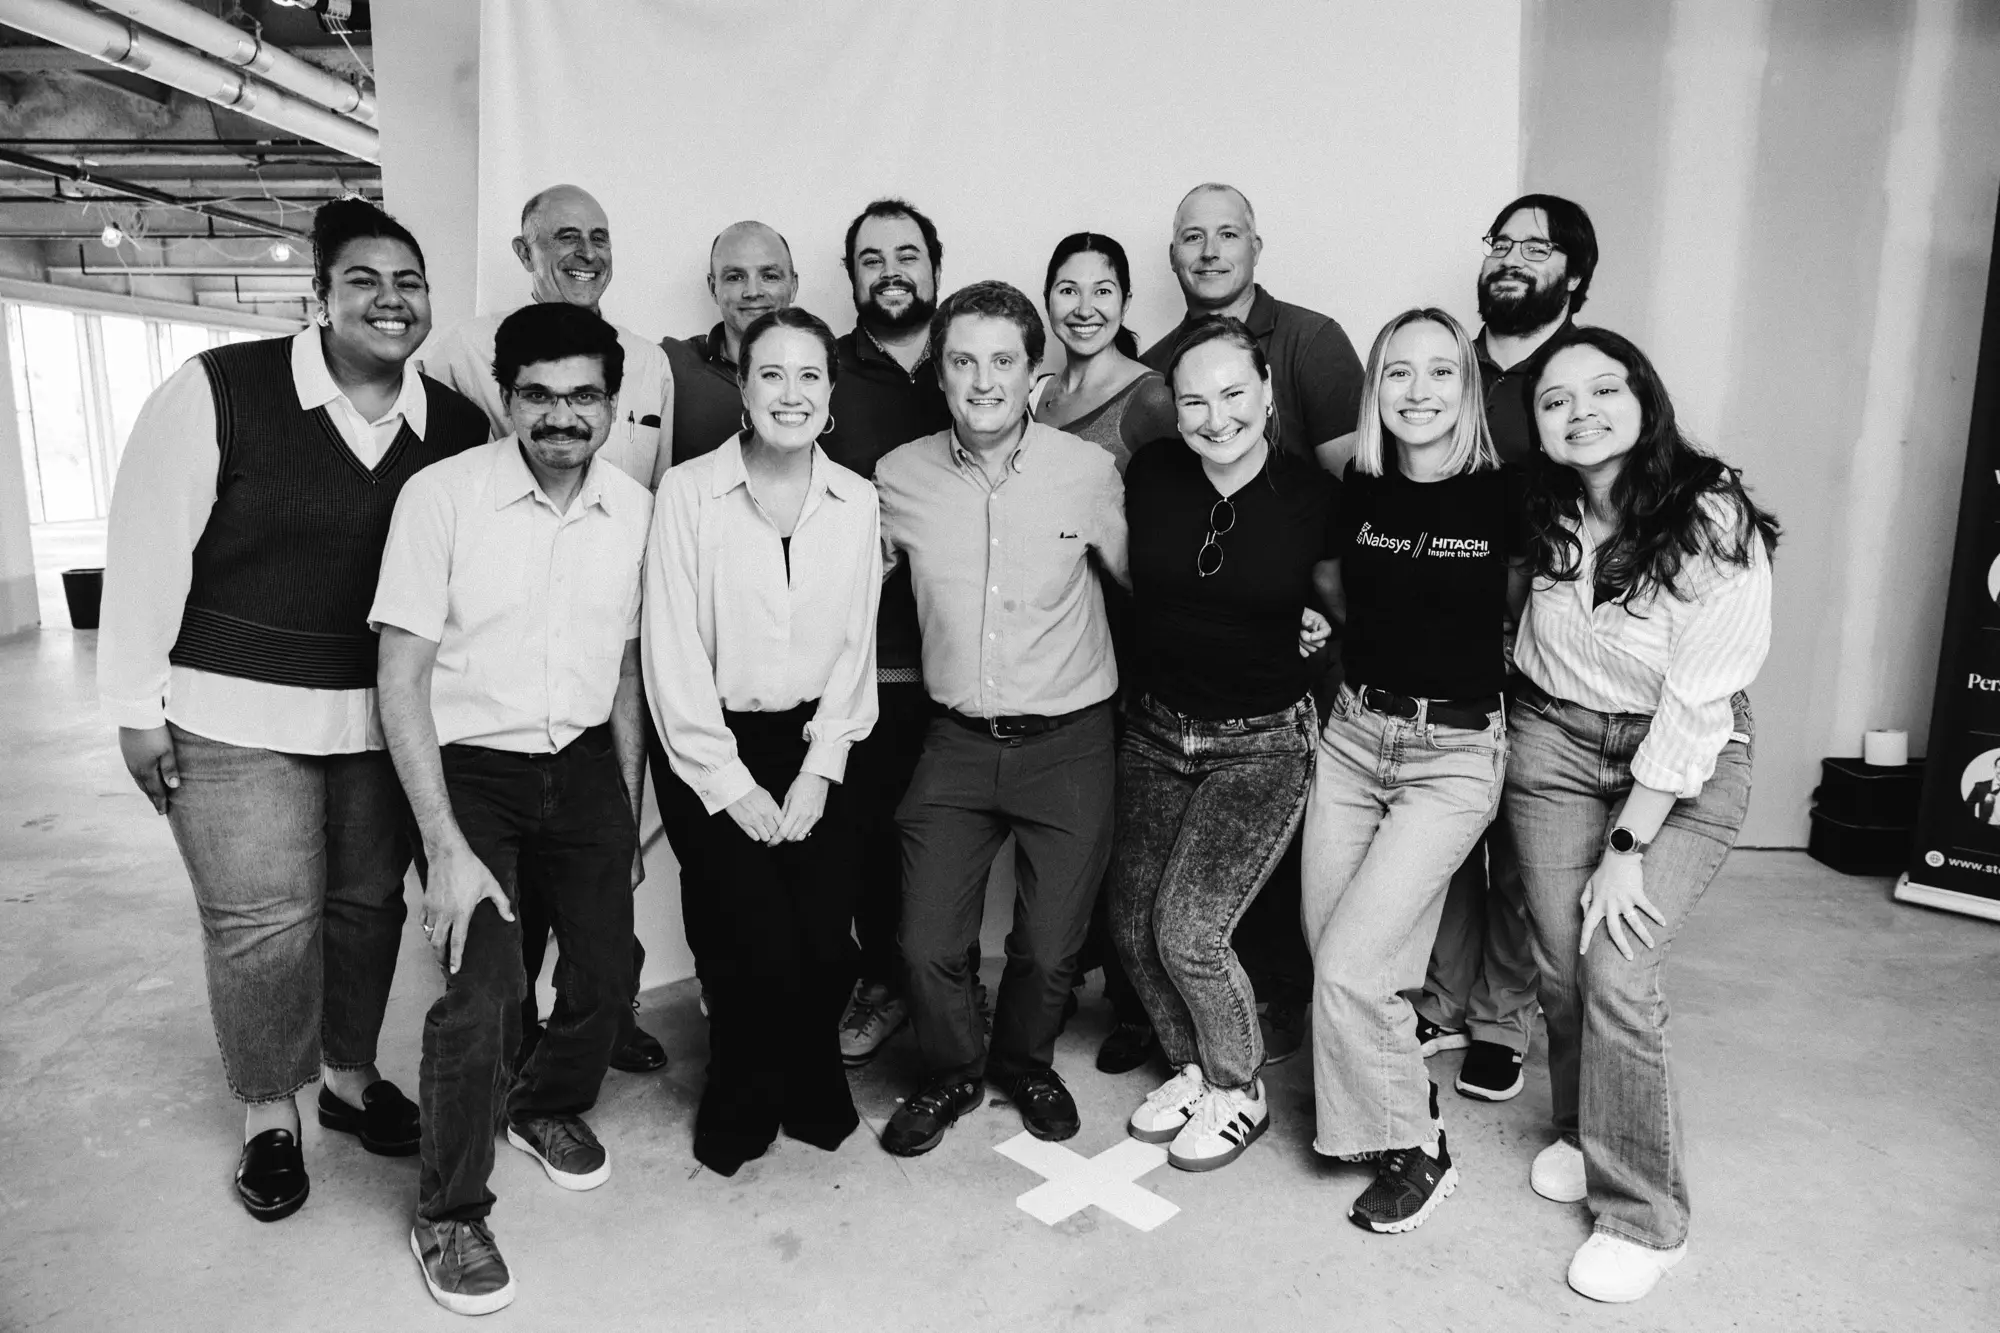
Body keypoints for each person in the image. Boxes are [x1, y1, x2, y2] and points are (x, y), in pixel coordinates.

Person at [97, 198, 487, 1224]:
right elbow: (145, 552)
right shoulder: (219, 392)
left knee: (367, 910)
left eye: (407, 283)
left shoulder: (454, 425)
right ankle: (273, 1113)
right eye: (362, 280)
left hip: (381, 723)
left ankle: (351, 1078)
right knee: (262, 925)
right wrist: (137, 710)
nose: (388, 300)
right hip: (231, 719)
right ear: (316, 296)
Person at [373, 303, 652, 1315]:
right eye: (538, 393)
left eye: (583, 395)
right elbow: (398, 677)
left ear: (614, 407)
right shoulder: (439, 498)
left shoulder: (632, 509)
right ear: (505, 397)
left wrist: (623, 801)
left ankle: (546, 1104)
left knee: (609, 967)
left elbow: (623, 665)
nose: (561, 415)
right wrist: (441, 843)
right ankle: (449, 1209)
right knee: (484, 987)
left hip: (580, 764)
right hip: (470, 773)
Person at [1508, 326, 1775, 1303]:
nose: (1577, 411)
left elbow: (1696, 705)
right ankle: (1587, 1131)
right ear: (1534, 426)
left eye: (1600, 389)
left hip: (1684, 755)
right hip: (1552, 737)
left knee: (1614, 961)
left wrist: (1627, 843)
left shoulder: (1708, 515)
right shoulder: (1541, 506)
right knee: (1555, 958)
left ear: (1642, 399)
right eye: (1552, 399)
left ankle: (1644, 1217)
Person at [421, 182, 673, 1074]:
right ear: (524, 251)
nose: (585, 251)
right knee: (499, 947)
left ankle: (594, 1027)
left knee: (604, 940)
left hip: (592, 676)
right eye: (562, 237)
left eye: (600, 236)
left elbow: (662, 504)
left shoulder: (647, 361)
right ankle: (513, 1046)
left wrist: (630, 793)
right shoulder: (461, 348)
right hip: (489, 677)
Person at [875, 281, 1127, 1155]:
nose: (983, 381)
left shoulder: (1088, 473)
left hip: (1071, 740)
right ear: (939, 374)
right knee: (921, 943)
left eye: (1003, 362)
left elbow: (1150, 593)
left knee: (1051, 947)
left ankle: (1025, 1062)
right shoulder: (896, 477)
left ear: (1035, 377)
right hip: (954, 739)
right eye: (962, 361)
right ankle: (949, 1073)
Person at [1301, 308, 1527, 1234]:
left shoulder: (1505, 494)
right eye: (1399, 373)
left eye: (1441, 372)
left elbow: (1518, 602)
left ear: (1467, 388)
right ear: (1375, 388)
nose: (1419, 391)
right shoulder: (1357, 488)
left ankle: (1417, 1148)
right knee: (1336, 948)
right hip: (1355, 738)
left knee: (1356, 963)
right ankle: (1388, 1109)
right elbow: (1328, 580)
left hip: (1455, 753)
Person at [645, 307, 881, 1176]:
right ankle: (739, 1089)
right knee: (743, 940)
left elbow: (858, 647)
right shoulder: (686, 493)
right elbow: (670, 650)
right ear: (742, 389)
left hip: (822, 740)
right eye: (771, 375)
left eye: (810, 376)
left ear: (830, 393)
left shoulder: (857, 500)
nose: (792, 393)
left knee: (822, 942)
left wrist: (820, 770)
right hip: (710, 743)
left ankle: (814, 1077)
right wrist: (728, 781)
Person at [1140, 182, 1366, 1060]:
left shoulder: (1311, 339)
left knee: (1268, 881)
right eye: (1190, 236)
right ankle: (1206, 1040)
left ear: (1256, 246)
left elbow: (1358, 497)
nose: (1208, 250)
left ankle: (1260, 1044)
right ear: (1172, 256)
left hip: (1284, 657)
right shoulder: (1159, 363)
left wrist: (1316, 605)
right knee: (1166, 906)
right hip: (1178, 684)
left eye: (1226, 233)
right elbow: (1146, 525)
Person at [1112, 316, 1335, 1171]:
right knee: (1132, 927)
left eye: (1234, 394)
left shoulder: (1311, 495)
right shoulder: (1156, 470)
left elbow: (1352, 597)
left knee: (1189, 930)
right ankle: (1196, 1069)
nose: (1215, 417)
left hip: (1261, 742)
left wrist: (1319, 621)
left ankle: (1239, 1085)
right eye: (1195, 399)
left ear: (1269, 392)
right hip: (1155, 731)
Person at [1414, 193, 1601, 1102]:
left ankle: (1499, 1015)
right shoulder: (1445, 366)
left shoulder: (1581, 378)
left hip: (1537, 653)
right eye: (1501, 241)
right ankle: (1445, 996)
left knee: (1524, 849)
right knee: (1444, 833)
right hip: (1433, 639)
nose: (1512, 257)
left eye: (1538, 245)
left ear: (1576, 275)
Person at [1029, 230, 1176, 1073]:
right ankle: (1083, 976)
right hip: (1050, 638)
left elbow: (1168, 535)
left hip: (1122, 636)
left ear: (1126, 303)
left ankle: (1139, 1007)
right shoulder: (1037, 392)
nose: (1084, 308)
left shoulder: (1149, 398)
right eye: (1068, 290)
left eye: (1103, 291)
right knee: (1079, 828)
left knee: (1130, 831)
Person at [823, 198, 955, 1068]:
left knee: (946, 834)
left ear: (936, 267)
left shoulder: (977, 359)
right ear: (853, 277)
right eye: (873, 259)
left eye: (908, 254)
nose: (892, 270)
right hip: (862, 656)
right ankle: (882, 980)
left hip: (969, 655)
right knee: (865, 834)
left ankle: (945, 983)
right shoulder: (821, 372)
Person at [660, 220, 800, 466]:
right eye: (735, 277)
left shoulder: (826, 370)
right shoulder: (670, 364)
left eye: (769, 276)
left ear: (793, 285)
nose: (753, 291)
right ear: (713, 288)